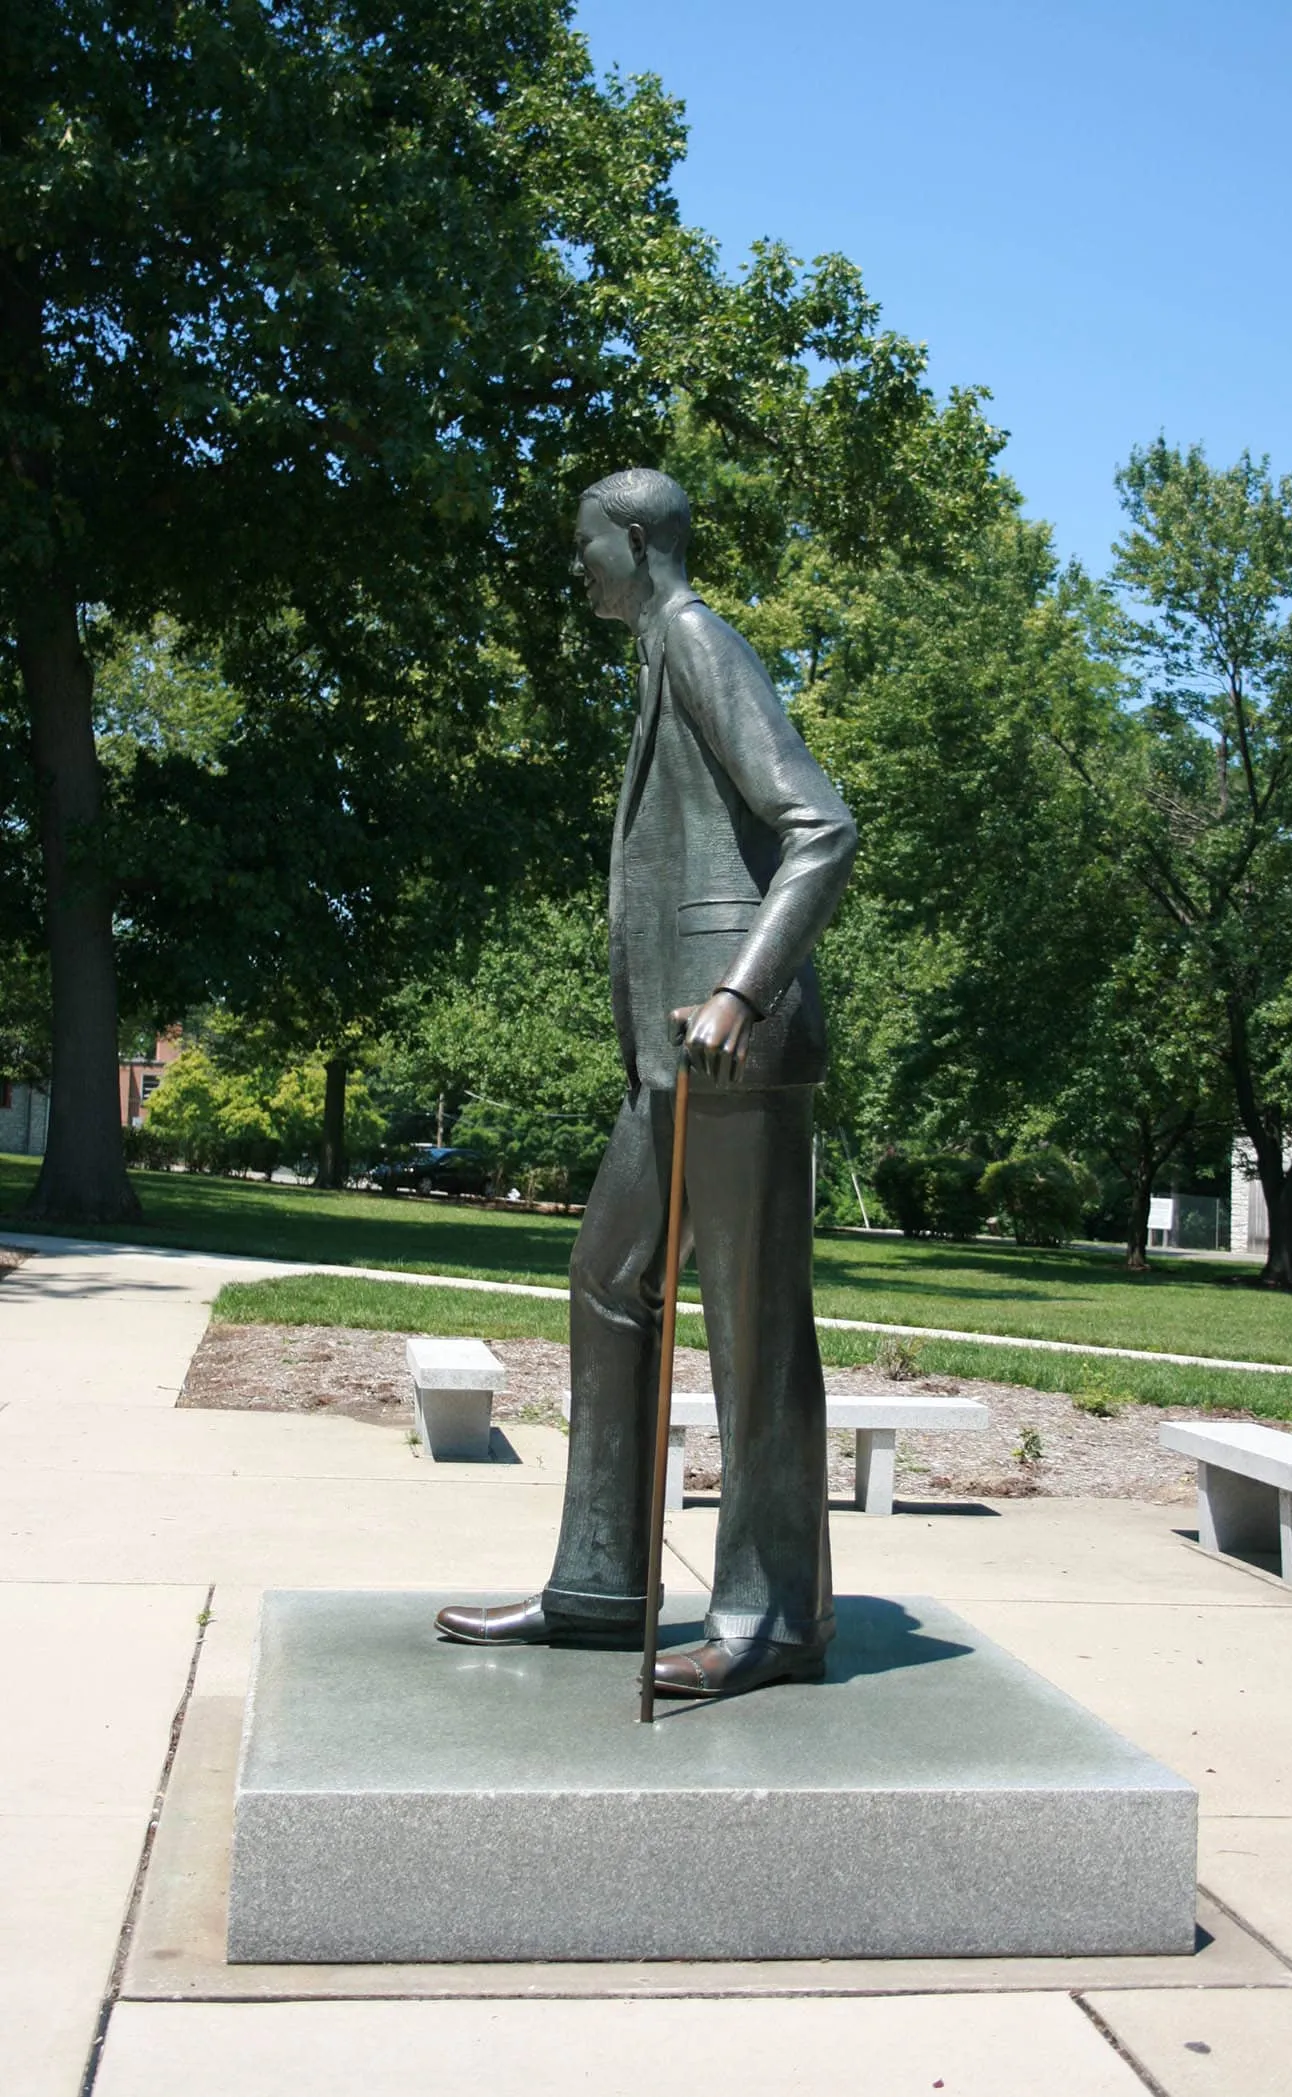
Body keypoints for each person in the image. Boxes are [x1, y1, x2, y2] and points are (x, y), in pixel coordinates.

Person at [435, 468, 857, 1699]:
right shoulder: (658, 656)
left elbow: (818, 825)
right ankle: (601, 1582)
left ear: (633, 539)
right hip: (664, 1060)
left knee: (750, 1332)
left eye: (583, 544)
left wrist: (739, 991)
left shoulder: (695, 636)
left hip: (729, 1048)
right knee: (609, 1284)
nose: (576, 566)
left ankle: (772, 1617)